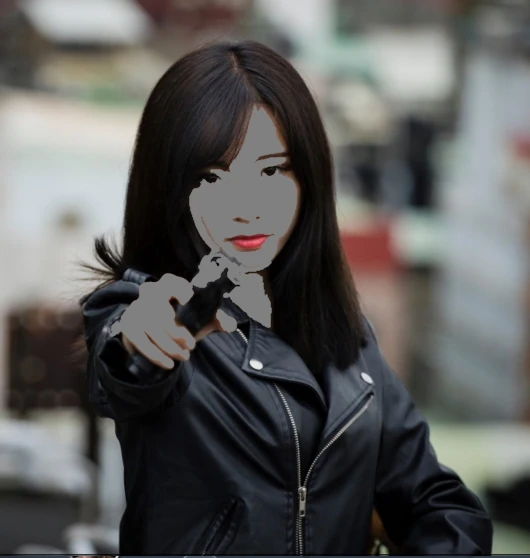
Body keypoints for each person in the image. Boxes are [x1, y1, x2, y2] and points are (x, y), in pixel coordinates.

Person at [77, 39, 493, 555]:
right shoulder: (152, 307)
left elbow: (436, 501)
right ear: (169, 187)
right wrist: (140, 342)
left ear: (308, 177)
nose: (247, 207)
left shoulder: (347, 334)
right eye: (212, 177)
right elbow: (123, 364)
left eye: (271, 170)